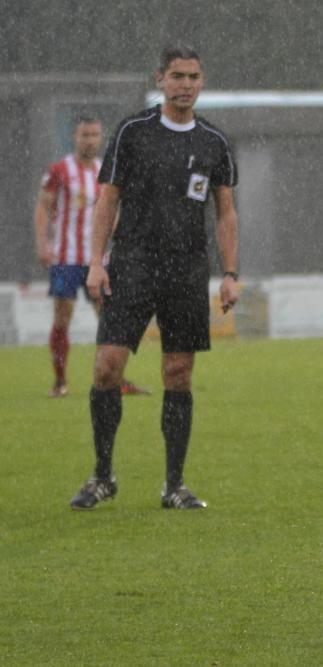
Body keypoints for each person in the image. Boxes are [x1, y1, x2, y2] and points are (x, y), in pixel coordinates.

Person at [68, 45, 240, 511]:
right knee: (107, 366)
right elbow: (108, 200)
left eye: (194, 76)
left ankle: (174, 486)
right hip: (133, 263)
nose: (185, 84)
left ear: (202, 82)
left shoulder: (214, 142)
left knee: (178, 374)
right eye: (177, 76)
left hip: (187, 269)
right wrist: (97, 262)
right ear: (160, 79)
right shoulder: (132, 132)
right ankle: (103, 476)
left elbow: (225, 213)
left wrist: (229, 273)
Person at [33, 116, 149, 398]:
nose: (90, 140)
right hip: (66, 258)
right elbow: (42, 207)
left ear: (101, 137)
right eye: (85, 134)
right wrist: (42, 244)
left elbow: (113, 210)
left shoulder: (104, 170)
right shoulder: (59, 170)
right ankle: (60, 382)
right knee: (62, 319)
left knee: (110, 320)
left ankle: (115, 379)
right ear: (75, 137)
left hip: (97, 260)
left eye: (95, 134)